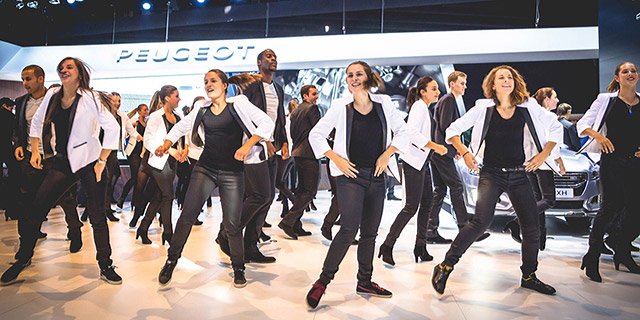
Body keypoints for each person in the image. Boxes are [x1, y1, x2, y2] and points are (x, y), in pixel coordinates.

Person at [431, 65, 561, 296]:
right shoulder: (484, 107)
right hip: (491, 173)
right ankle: (445, 266)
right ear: (493, 84)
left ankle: (529, 275)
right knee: (480, 222)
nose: (506, 80)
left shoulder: (528, 106)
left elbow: (555, 126)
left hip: (520, 174)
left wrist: (544, 155)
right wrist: (466, 153)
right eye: (501, 77)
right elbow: (452, 130)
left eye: (509, 77)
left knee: (531, 229)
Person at [1, 57, 122, 285]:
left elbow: (112, 128)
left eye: (69, 67)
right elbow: (37, 122)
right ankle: (24, 258)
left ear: (79, 73)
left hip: (89, 163)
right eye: (61, 67)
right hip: (62, 163)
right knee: (36, 209)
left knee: (97, 217)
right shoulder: (53, 95)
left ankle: (105, 265)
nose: (64, 70)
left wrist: (102, 161)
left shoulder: (91, 97)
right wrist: (35, 149)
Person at [154, 69, 274, 288]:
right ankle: (171, 261)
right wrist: (167, 143)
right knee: (187, 216)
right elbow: (182, 126)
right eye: (205, 82)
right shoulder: (201, 107)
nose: (208, 84)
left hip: (232, 172)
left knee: (233, 224)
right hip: (205, 168)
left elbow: (267, 123)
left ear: (224, 85)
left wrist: (248, 145)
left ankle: (238, 267)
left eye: (213, 81)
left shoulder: (239, 103)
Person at [305, 61, 409, 309]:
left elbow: (404, 131)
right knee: (349, 229)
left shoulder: (383, 104)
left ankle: (365, 281)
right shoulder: (341, 106)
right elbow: (315, 135)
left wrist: (389, 153)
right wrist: (336, 159)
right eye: (349, 75)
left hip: (377, 176)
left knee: (370, 233)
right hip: (350, 176)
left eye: (358, 74)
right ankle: (322, 282)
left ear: (368, 77)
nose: (353, 78)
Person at [220, 49, 289, 263]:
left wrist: (283, 141)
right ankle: (227, 234)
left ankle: (250, 246)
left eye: (275, 56)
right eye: (268, 56)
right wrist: (265, 140)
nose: (273, 59)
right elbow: (244, 115)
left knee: (266, 199)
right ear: (259, 62)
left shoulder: (278, 88)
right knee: (257, 196)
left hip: (272, 149)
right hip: (253, 149)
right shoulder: (251, 86)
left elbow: (278, 119)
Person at [577, 61, 640, 282]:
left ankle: (622, 249)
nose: (630, 74)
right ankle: (592, 255)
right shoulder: (606, 100)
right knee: (610, 206)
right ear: (617, 78)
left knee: (635, 210)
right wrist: (599, 136)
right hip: (612, 160)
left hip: (636, 163)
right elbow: (582, 124)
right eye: (625, 71)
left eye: (633, 71)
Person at [379, 76, 448, 266]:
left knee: (426, 204)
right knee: (411, 207)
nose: (437, 92)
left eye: (437, 89)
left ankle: (421, 247)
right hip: (413, 163)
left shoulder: (423, 107)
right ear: (423, 91)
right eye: (433, 89)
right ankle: (387, 245)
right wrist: (436, 146)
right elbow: (412, 133)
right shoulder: (419, 106)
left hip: (422, 162)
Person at [13, 65, 82, 244]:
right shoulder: (21, 101)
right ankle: (27, 238)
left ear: (40, 79)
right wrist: (19, 145)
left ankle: (75, 229)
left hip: (53, 157)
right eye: (23, 79)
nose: (24, 83)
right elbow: (19, 127)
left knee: (65, 198)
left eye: (28, 79)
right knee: (27, 198)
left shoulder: (57, 99)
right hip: (29, 157)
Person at [428, 71, 489, 244]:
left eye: (465, 83)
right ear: (452, 84)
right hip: (441, 153)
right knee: (456, 187)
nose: (465, 86)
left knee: (440, 191)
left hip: (441, 152)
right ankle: (465, 229)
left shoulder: (448, 101)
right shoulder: (448, 100)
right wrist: (456, 148)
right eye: (462, 83)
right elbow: (447, 128)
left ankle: (430, 231)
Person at [503, 87, 566, 251]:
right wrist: (560, 162)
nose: (557, 101)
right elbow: (551, 142)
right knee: (549, 200)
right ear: (546, 99)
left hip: (530, 162)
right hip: (542, 163)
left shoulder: (529, 115)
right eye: (555, 97)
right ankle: (517, 222)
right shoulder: (547, 117)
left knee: (538, 200)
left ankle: (539, 238)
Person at [134, 85, 188, 245]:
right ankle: (168, 232)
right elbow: (149, 139)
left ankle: (143, 228)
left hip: (172, 163)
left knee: (159, 197)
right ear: (167, 98)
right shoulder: (156, 116)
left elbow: (182, 136)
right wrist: (168, 150)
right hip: (159, 162)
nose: (179, 99)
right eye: (176, 96)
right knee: (168, 196)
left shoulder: (178, 116)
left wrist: (183, 150)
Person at [278, 85, 322, 239]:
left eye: (317, 94)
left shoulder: (295, 112)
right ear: (305, 96)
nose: (317, 97)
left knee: (301, 190)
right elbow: (319, 131)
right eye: (314, 94)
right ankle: (288, 221)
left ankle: (296, 225)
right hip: (309, 154)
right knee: (309, 191)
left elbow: (292, 133)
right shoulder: (312, 109)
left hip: (298, 153)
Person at [102, 92, 143, 222]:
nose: (117, 103)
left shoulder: (122, 116)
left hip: (114, 151)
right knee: (105, 181)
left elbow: (131, 130)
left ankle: (104, 208)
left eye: (119, 101)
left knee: (108, 180)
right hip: (103, 151)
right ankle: (104, 209)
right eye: (114, 101)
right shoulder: (104, 115)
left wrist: (140, 138)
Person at [116, 103, 149, 209]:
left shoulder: (147, 123)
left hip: (142, 154)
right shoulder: (133, 121)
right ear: (139, 111)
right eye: (144, 110)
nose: (146, 112)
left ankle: (135, 202)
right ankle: (122, 198)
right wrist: (132, 128)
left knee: (140, 179)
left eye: (147, 110)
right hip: (133, 153)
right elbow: (124, 135)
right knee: (135, 177)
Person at [0, 97, 19, 220]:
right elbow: (15, 134)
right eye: (11, 108)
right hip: (6, 148)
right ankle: (11, 209)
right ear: (5, 106)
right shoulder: (10, 117)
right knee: (15, 175)